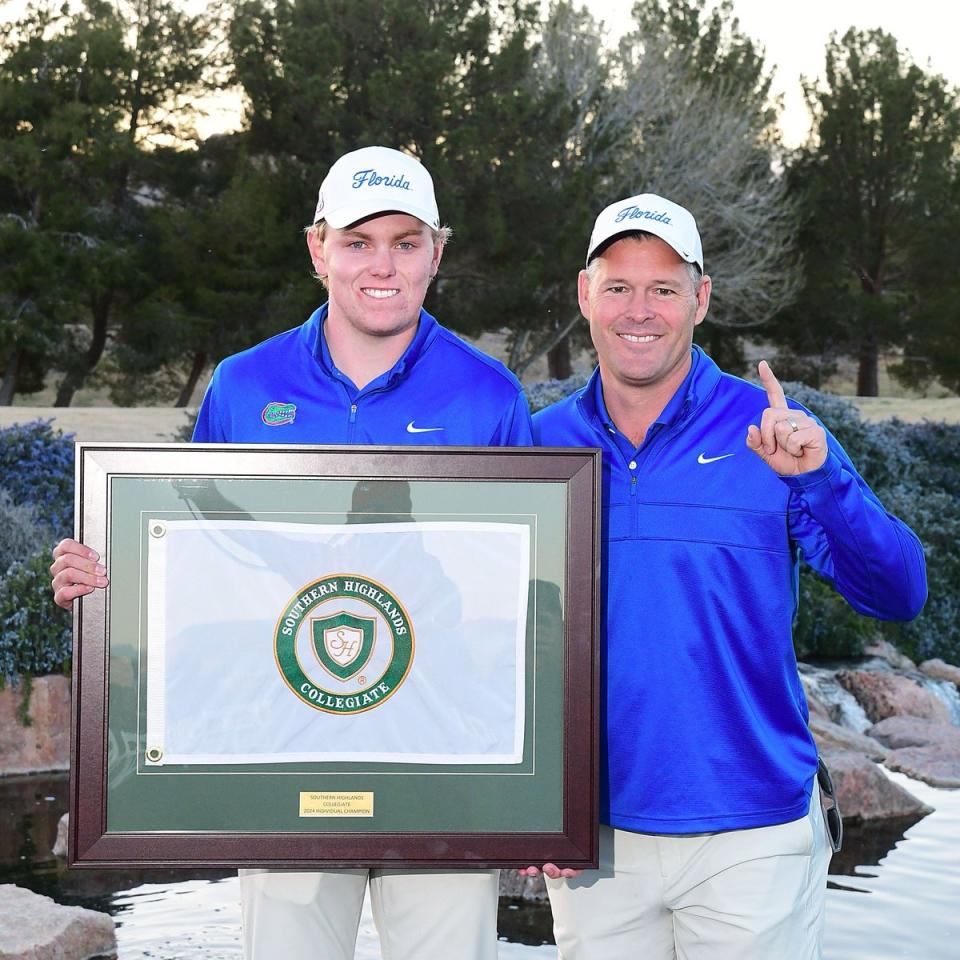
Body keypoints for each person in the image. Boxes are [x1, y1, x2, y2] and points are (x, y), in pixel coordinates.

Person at [50, 145, 533, 960]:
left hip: (443, 766)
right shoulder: (244, 385)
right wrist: (107, 586)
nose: (381, 265)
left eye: (406, 242)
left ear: (437, 254)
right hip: (282, 761)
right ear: (318, 249)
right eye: (357, 241)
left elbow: (523, 595)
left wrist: (530, 785)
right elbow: (203, 563)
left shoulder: (490, 394)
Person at [527, 193, 927, 959]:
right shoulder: (539, 445)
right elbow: (505, 635)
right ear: (585, 295)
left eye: (665, 289)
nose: (639, 311)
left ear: (701, 300)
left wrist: (820, 480)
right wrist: (527, 804)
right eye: (618, 287)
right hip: (594, 838)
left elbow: (899, 593)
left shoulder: (771, 431)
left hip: (754, 834)